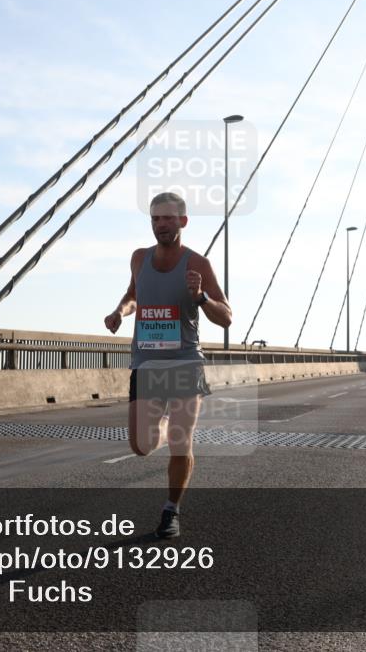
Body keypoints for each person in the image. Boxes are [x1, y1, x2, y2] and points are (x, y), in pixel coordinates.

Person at [104, 192, 232, 539]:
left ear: (183, 222)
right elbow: (133, 295)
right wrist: (120, 312)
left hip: (185, 364)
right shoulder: (139, 258)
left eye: (168, 218)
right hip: (146, 364)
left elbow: (226, 317)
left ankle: (171, 510)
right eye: (155, 219)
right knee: (141, 446)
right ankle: (161, 419)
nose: (161, 224)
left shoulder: (198, 264)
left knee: (181, 440)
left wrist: (202, 297)